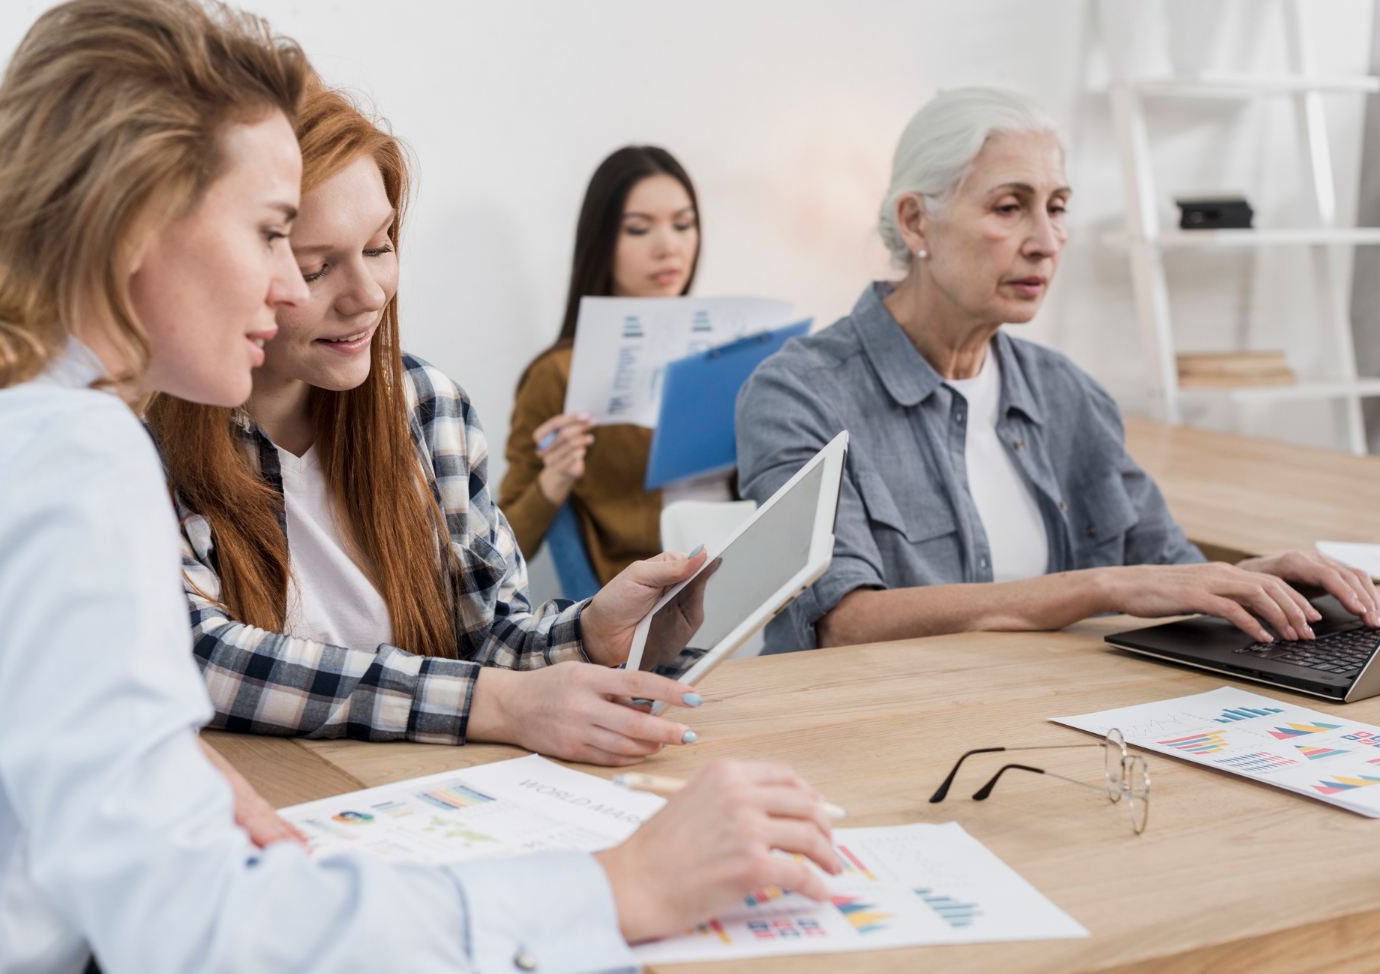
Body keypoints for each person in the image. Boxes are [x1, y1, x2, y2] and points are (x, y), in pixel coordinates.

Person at [0, 3, 842, 971]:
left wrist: (170, 762)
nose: (293, 291)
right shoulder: (80, 450)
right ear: (136, 220)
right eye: (274, 238)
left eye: (376, 246)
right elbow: (194, 922)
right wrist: (616, 886)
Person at [146, 84, 710, 767]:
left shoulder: (428, 406)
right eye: (317, 266)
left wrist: (591, 634)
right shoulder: (144, 437)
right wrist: (492, 705)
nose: (368, 296)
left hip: (421, 801)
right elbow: (201, 656)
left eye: (381, 247)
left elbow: (486, 638)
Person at [736, 87, 1380, 655]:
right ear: (916, 221)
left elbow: (1166, 570)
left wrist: (1261, 578)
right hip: (868, 739)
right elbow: (843, 623)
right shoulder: (799, 392)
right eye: (1010, 207)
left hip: (1049, 722)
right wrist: (1101, 587)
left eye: (1058, 205)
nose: (1046, 240)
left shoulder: (1067, 392)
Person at [500, 146, 723, 587]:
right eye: (639, 229)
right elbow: (503, 547)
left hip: (745, 570)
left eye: (684, 224)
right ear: (602, 243)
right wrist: (555, 480)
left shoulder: (727, 347)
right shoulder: (559, 373)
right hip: (652, 600)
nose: (669, 246)